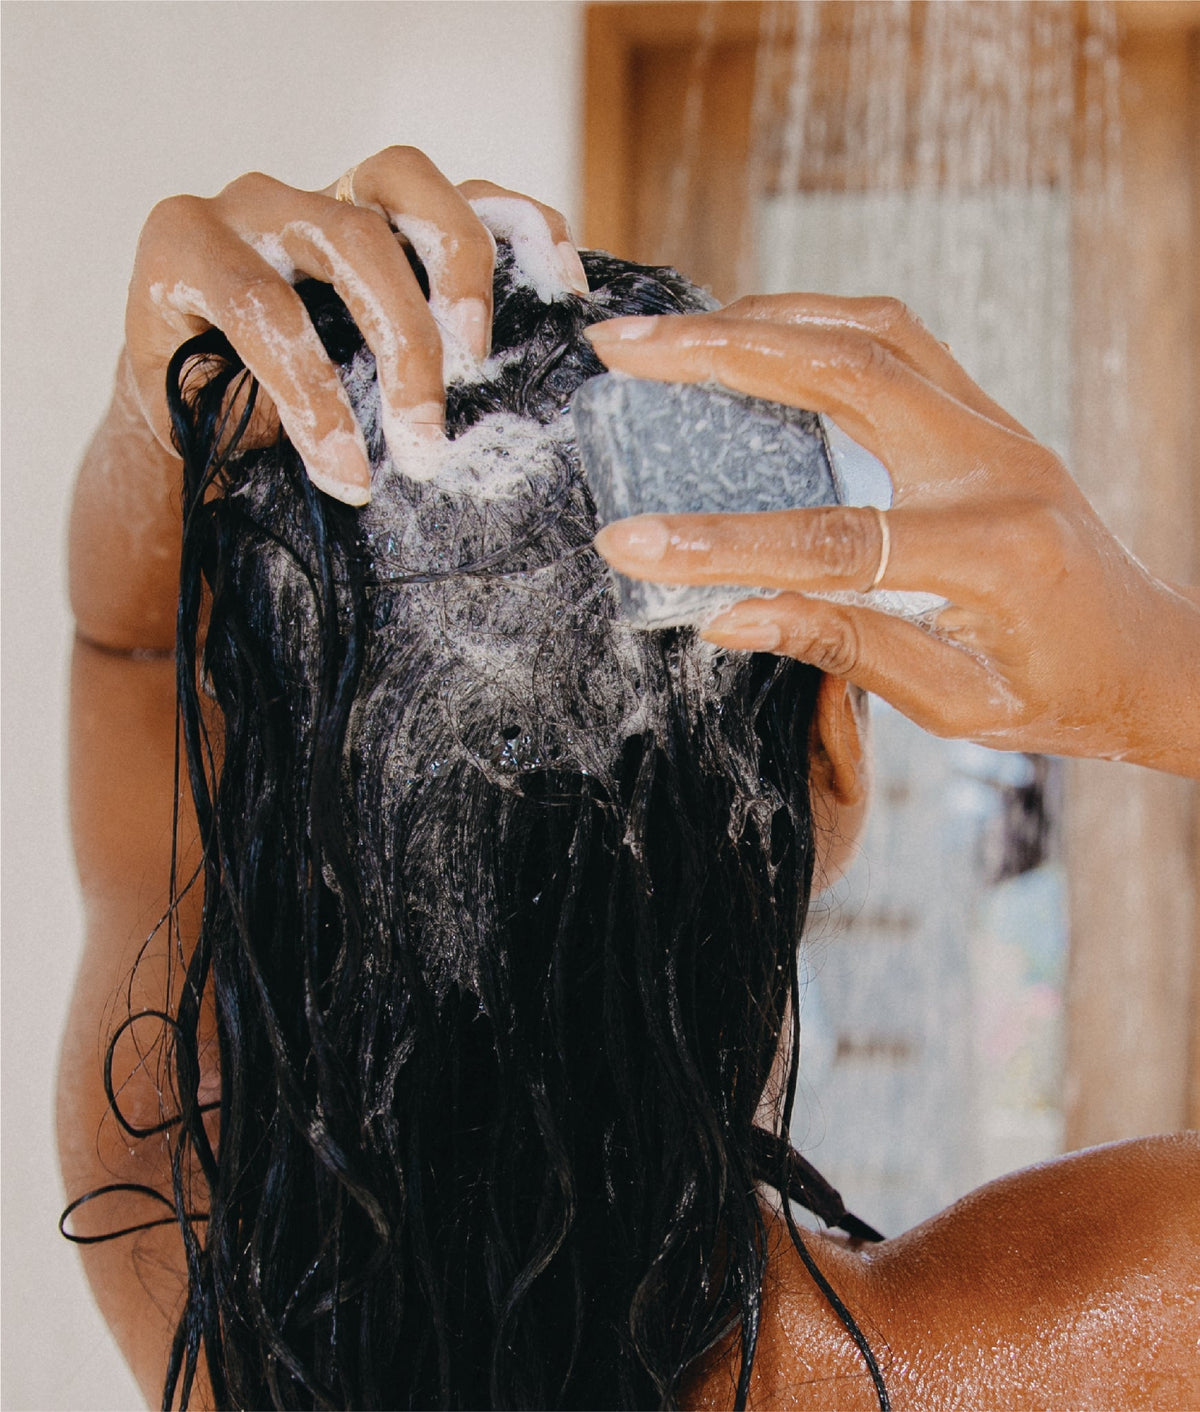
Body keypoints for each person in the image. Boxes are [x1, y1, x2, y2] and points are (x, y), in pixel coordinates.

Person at [58, 147, 1198, 1412]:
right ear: (837, 744)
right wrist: (1161, 669)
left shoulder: (185, 1251)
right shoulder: (1107, 1344)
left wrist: (156, 406)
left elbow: (129, 647)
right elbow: (137, 655)